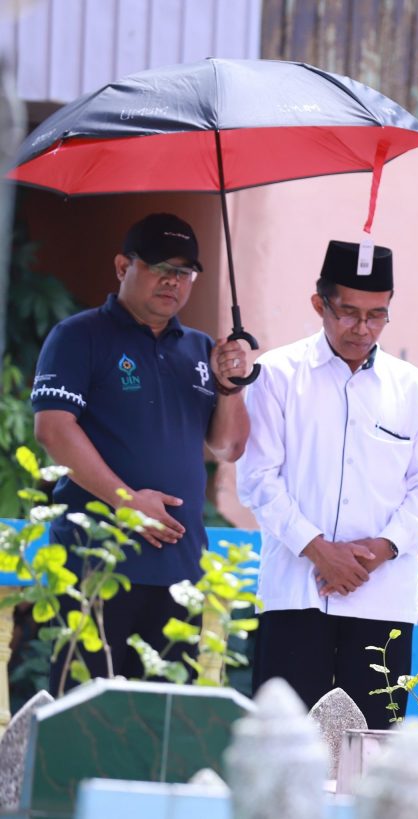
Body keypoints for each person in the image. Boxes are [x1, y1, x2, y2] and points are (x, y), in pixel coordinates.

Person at [31, 212, 251, 691]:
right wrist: (128, 502)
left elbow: (228, 447)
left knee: (163, 726)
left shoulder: (199, 349)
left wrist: (230, 386)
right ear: (121, 266)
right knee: (86, 717)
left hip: (181, 569)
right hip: (97, 564)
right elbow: (52, 428)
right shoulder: (79, 335)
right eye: (159, 266)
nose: (173, 281)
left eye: (185, 271)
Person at [236, 240, 418, 727]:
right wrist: (316, 549)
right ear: (319, 305)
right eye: (348, 312)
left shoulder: (414, 388)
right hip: (295, 594)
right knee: (283, 747)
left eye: (377, 315)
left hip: (383, 600)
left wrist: (382, 548)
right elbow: (258, 479)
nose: (362, 328)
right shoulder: (276, 375)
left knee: (369, 750)